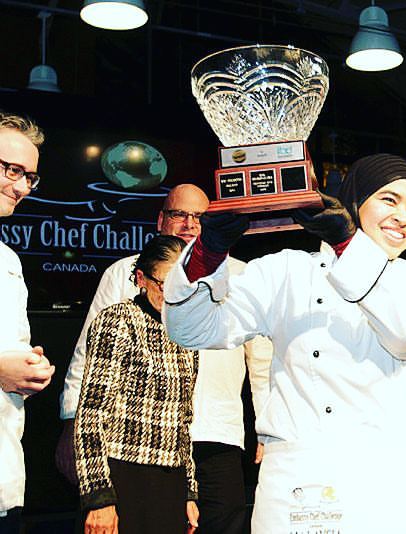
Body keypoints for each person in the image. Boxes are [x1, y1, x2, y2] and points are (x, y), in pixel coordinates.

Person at [163, 154, 406, 533]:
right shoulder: (285, 271)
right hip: (296, 482)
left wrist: (347, 243)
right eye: (389, 200)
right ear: (355, 202)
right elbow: (192, 330)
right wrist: (207, 253)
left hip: (386, 483)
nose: (404, 217)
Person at [57, 184, 271, 533]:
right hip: (129, 445)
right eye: (179, 214)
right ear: (161, 220)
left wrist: (267, 426)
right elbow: (86, 357)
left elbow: (263, 363)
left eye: (201, 217)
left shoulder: (243, 276)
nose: (189, 224)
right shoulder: (123, 272)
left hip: (217, 434)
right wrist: (70, 423)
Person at [75, 235, 198, 533]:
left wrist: (189, 492)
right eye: (166, 285)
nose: (175, 296)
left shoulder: (185, 330)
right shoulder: (117, 320)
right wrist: (98, 498)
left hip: (170, 482)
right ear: (141, 278)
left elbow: (184, 419)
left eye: (185, 287)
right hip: (123, 477)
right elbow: (91, 413)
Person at [0, 111, 55, 534]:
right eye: (11, 170)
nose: (21, 187)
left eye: (29, 177)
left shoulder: (9, 260)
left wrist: (29, 369)